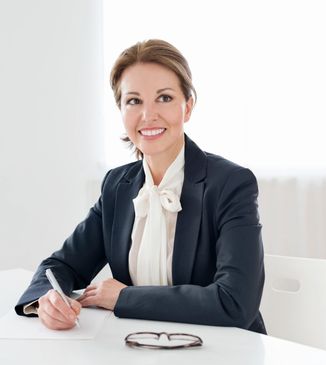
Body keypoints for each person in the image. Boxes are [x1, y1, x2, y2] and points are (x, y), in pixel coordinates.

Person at [15, 39, 266, 334]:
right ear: (121, 111)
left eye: (164, 98)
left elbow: (234, 302)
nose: (148, 115)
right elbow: (60, 266)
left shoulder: (230, 184)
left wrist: (123, 298)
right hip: (141, 346)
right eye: (134, 101)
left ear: (188, 108)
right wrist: (47, 300)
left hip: (225, 351)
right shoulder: (116, 186)